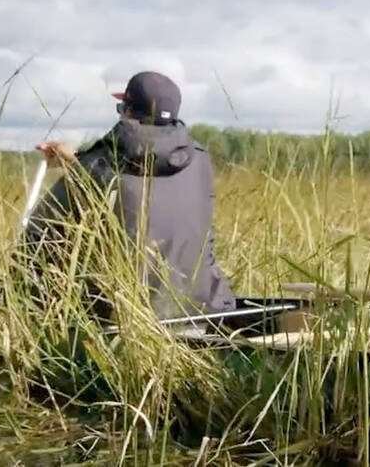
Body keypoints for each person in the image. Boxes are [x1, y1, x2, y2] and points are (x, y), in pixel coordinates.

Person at [24, 71, 236, 320]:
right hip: (206, 307)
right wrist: (77, 162)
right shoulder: (200, 160)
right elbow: (136, 176)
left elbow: (37, 238)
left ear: (127, 112)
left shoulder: (96, 164)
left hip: (129, 318)